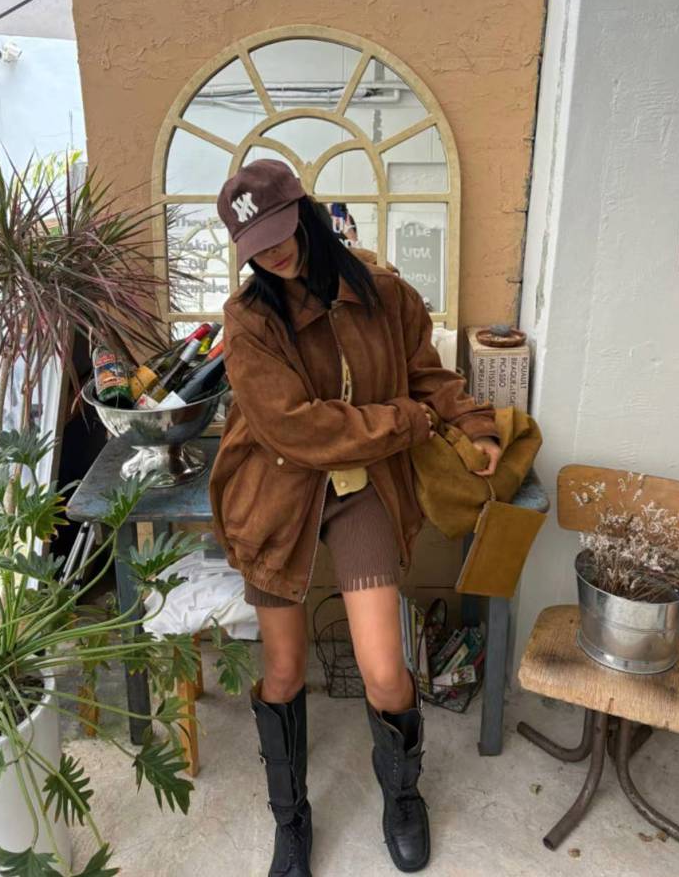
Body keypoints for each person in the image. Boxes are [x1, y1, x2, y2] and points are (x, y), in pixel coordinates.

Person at [209, 159, 501, 877]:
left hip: (358, 486)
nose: (273, 254)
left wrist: (473, 421)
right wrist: (404, 421)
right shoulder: (248, 322)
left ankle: (402, 795)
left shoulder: (384, 292)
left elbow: (426, 373)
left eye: (280, 233)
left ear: (305, 215)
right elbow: (295, 427)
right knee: (283, 671)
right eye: (256, 246)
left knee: (384, 672)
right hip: (275, 494)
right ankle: (291, 821)